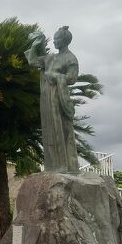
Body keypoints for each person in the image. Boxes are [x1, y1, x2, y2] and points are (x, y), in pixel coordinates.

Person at [25, 26, 80, 173]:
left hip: (59, 97)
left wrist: (55, 76)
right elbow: (32, 61)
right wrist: (36, 44)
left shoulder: (71, 58)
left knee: (62, 128)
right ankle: (53, 165)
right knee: (49, 128)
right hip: (46, 97)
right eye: (54, 39)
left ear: (65, 41)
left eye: (58, 39)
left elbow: (72, 78)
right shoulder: (51, 58)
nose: (54, 41)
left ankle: (66, 166)